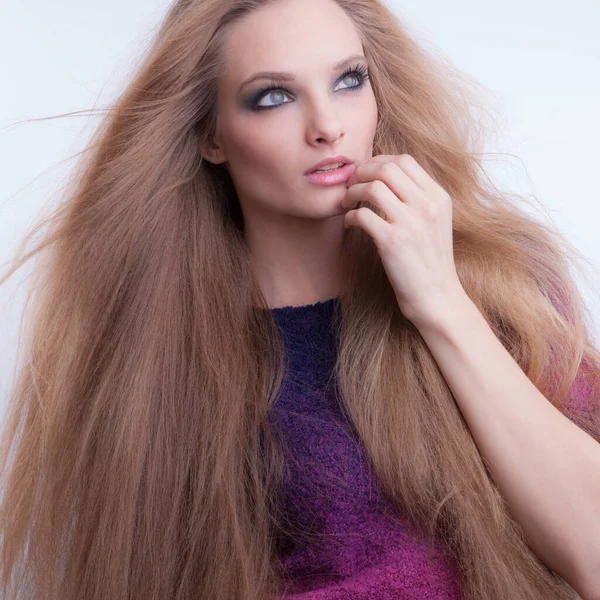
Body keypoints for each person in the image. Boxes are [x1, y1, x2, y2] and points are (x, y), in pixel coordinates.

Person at [0, 0, 599, 598]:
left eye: (348, 80)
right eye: (273, 97)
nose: (327, 125)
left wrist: (442, 303)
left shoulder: (499, 284)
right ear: (211, 135)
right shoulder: (160, 358)